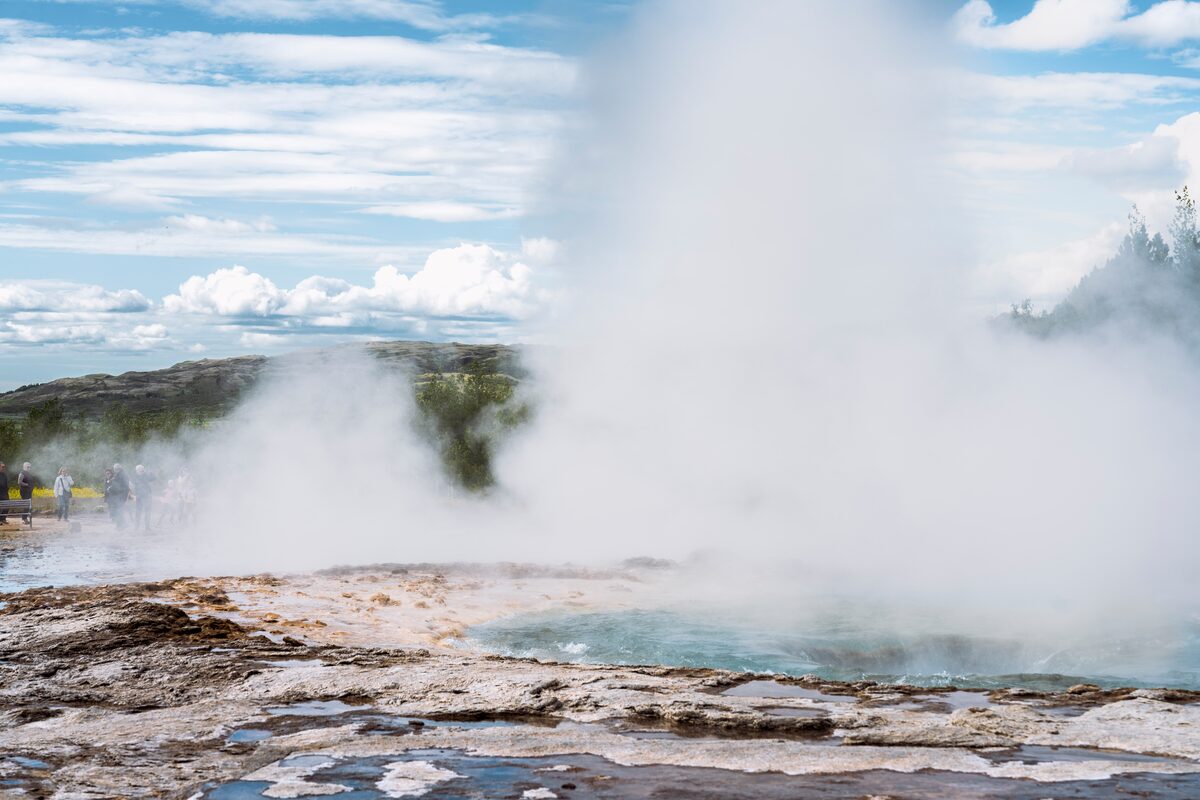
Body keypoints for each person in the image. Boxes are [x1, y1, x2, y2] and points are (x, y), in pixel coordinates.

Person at [132, 464, 155, 531]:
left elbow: (153, 478)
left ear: (143, 470)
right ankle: (136, 526)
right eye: (138, 470)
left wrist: (151, 472)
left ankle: (147, 527)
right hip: (139, 496)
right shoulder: (135, 476)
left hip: (147, 496)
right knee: (138, 512)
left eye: (141, 469)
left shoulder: (146, 475)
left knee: (147, 512)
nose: (139, 471)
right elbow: (133, 486)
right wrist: (134, 495)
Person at [109, 463, 130, 530]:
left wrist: (111, 489)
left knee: (119, 510)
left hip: (121, 495)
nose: (115, 470)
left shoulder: (122, 475)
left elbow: (124, 487)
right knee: (118, 510)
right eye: (115, 469)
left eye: (116, 468)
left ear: (119, 468)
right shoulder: (119, 474)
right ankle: (119, 525)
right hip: (118, 495)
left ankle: (122, 525)